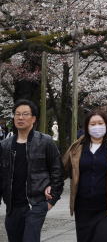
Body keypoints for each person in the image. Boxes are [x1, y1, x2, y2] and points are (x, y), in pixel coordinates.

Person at [63, 109, 107, 242]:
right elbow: (62, 169)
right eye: (93, 124)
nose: (97, 127)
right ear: (87, 127)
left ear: (106, 125)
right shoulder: (77, 147)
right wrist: (50, 186)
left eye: (100, 123)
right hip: (83, 207)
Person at [1, 100, 64, 242]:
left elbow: (58, 171)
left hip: (35, 204)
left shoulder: (45, 142)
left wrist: (52, 199)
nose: (20, 118)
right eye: (17, 114)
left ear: (33, 119)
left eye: (25, 114)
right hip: (12, 207)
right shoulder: (5, 145)